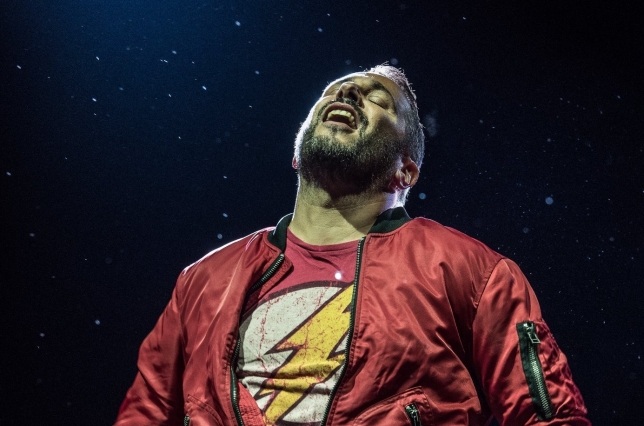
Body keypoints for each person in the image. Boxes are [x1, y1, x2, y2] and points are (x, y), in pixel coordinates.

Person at [115, 65, 590, 425]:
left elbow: (553, 418)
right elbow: (144, 414)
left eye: (378, 99)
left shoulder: (473, 273)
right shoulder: (204, 281)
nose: (347, 93)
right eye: (335, 91)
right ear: (297, 152)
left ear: (405, 171)